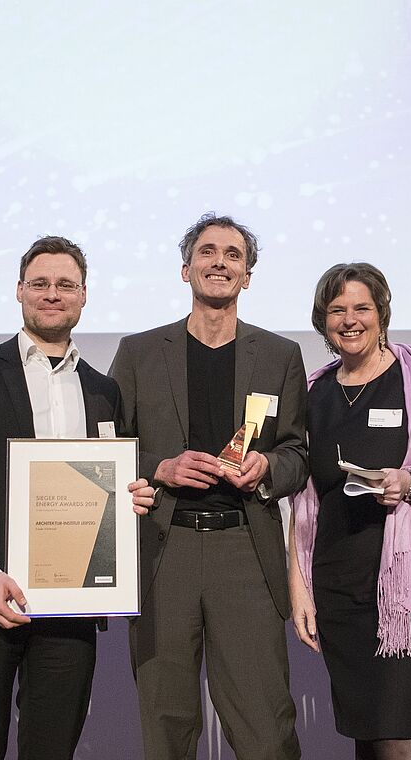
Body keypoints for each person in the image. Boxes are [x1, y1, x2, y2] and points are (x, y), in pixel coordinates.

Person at [110, 213, 308, 760]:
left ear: (247, 275)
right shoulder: (139, 353)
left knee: (265, 724)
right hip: (163, 551)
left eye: (233, 255)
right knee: (166, 720)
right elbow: (107, 449)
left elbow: (297, 453)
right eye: (207, 251)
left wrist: (267, 467)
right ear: (185, 269)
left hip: (244, 548)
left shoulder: (280, 355)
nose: (219, 261)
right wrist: (161, 468)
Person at [0, 236, 123, 760]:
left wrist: (128, 499)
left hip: (70, 610)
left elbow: (107, 494)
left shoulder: (104, 390)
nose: (52, 294)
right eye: (40, 283)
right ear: (19, 291)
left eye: (65, 285)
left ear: (83, 297)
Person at [287, 263, 411, 760]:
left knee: (397, 726)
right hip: (337, 578)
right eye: (336, 310)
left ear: (381, 312)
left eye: (361, 308)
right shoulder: (313, 392)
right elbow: (303, 499)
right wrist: (299, 588)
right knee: (367, 729)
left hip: (409, 579)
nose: (350, 320)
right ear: (322, 321)